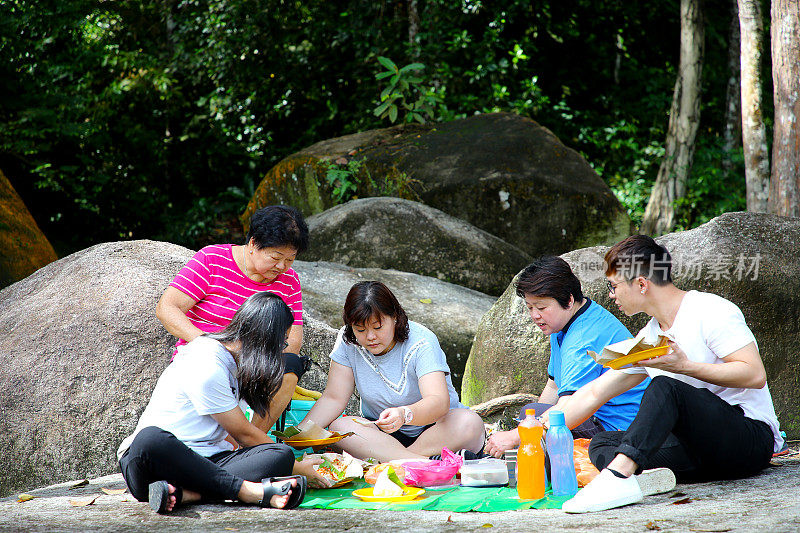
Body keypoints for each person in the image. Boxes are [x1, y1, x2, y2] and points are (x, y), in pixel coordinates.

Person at [560, 235, 784, 513]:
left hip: (747, 438)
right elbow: (595, 392)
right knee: (603, 442)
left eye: (613, 286)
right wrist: (535, 431)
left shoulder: (711, 310)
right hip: (699, 451)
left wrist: (684, 367)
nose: (611, 295)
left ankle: (618, 477)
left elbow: (754, 374)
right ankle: (645, 478)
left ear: (641, 284)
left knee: (666, 387)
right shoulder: (650, 336)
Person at [118, 292, 330, 514]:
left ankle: (187, 494)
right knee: (150, 439)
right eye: (282, 342)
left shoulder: (237, 363)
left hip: (204, 464)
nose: (283, 349)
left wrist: (288, 462)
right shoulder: (207, 361)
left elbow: (232, 438)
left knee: (280, 455)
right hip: (157, 465)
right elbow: (244, 434)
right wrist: (300, 469)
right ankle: (248, 491)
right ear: (266, 339)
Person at [156, 205, 309, 431]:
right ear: (253, 243)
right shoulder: (212, 259)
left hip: (254, 368)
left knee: (291, 364)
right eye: (276, 257)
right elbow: (167, 308)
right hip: (206, 363)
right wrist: (214, 347)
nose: (282, 267)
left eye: (290, 259)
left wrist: (255, 360)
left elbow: (293, 341)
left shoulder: (289, 281)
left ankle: (251, 444)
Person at [300, 281, 486, 462]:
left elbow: (438, 402)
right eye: (360, 329)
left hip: (436, 431)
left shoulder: (421, 341)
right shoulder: (347, 340)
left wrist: (404, 414)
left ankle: (396, 460)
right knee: (340, 427)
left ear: (395, 317)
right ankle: (426, 463)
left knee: (469, 422)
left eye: (378, 327)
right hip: (382, 436)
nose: (370, 337)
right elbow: (334, 397)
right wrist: (301, 433)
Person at [484, 256, 649, 459]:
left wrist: (516, 436)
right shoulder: (563, 324)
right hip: (595, 416)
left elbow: (568, 406)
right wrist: (528, 424)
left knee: (531, 422)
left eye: (542, 308)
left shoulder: (583, 336)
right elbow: (553, 387)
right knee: (531, 414)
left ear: (569, 300)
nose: (535, 315)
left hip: (617, 427)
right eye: (530, 307)